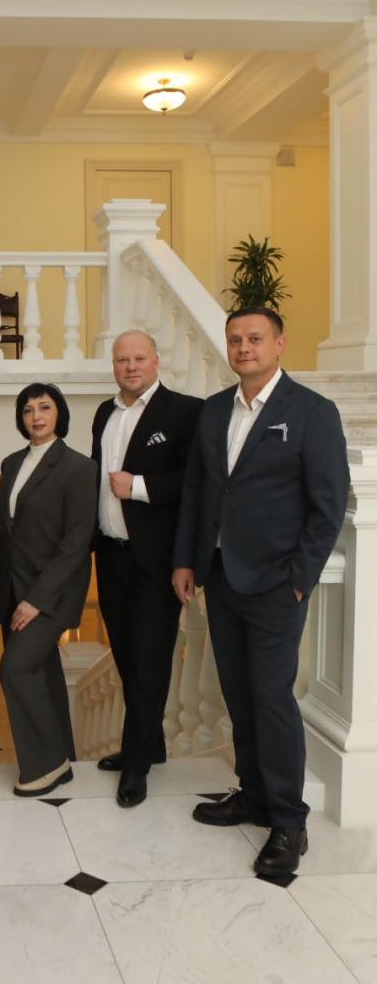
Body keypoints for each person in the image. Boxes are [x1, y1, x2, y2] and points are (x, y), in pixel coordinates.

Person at [173, 306, 349, 876]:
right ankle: (251, 793)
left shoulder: (313, 412)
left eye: (254, 338)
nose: (243, 347)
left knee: (272, 699)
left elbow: (327, 507)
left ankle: (290, 822)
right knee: (237, 692)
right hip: (221, 576)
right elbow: (198, 492)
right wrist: (187, 561)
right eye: (235, 339)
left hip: (276, 584)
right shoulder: (214, 410)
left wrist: (299, 580)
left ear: (279, 344)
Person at [91, 331, 203, 808]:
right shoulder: (104, 412)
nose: (131, 366)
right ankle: (150, 744)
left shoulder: (185, 411)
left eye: (139, 358)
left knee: (150, 661)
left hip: (157, 562)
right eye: (122, 359)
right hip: (110, 556)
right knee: (125, 657)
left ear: (156, 361)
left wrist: (136, 486)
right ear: (113, 365)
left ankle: (136, 766)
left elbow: (196, 481)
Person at [0, 383, 96, 797]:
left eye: (45, 407)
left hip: (50, 593)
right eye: (28, 409)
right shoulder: (11, 463)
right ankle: (63, 758)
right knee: (42, 672)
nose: (36, 416)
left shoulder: (79, 467)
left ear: (59, 414)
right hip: (13, 589)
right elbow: (9, 531)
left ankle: (45, 764)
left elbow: (77, 541)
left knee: (14, 668)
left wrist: (36, 600)